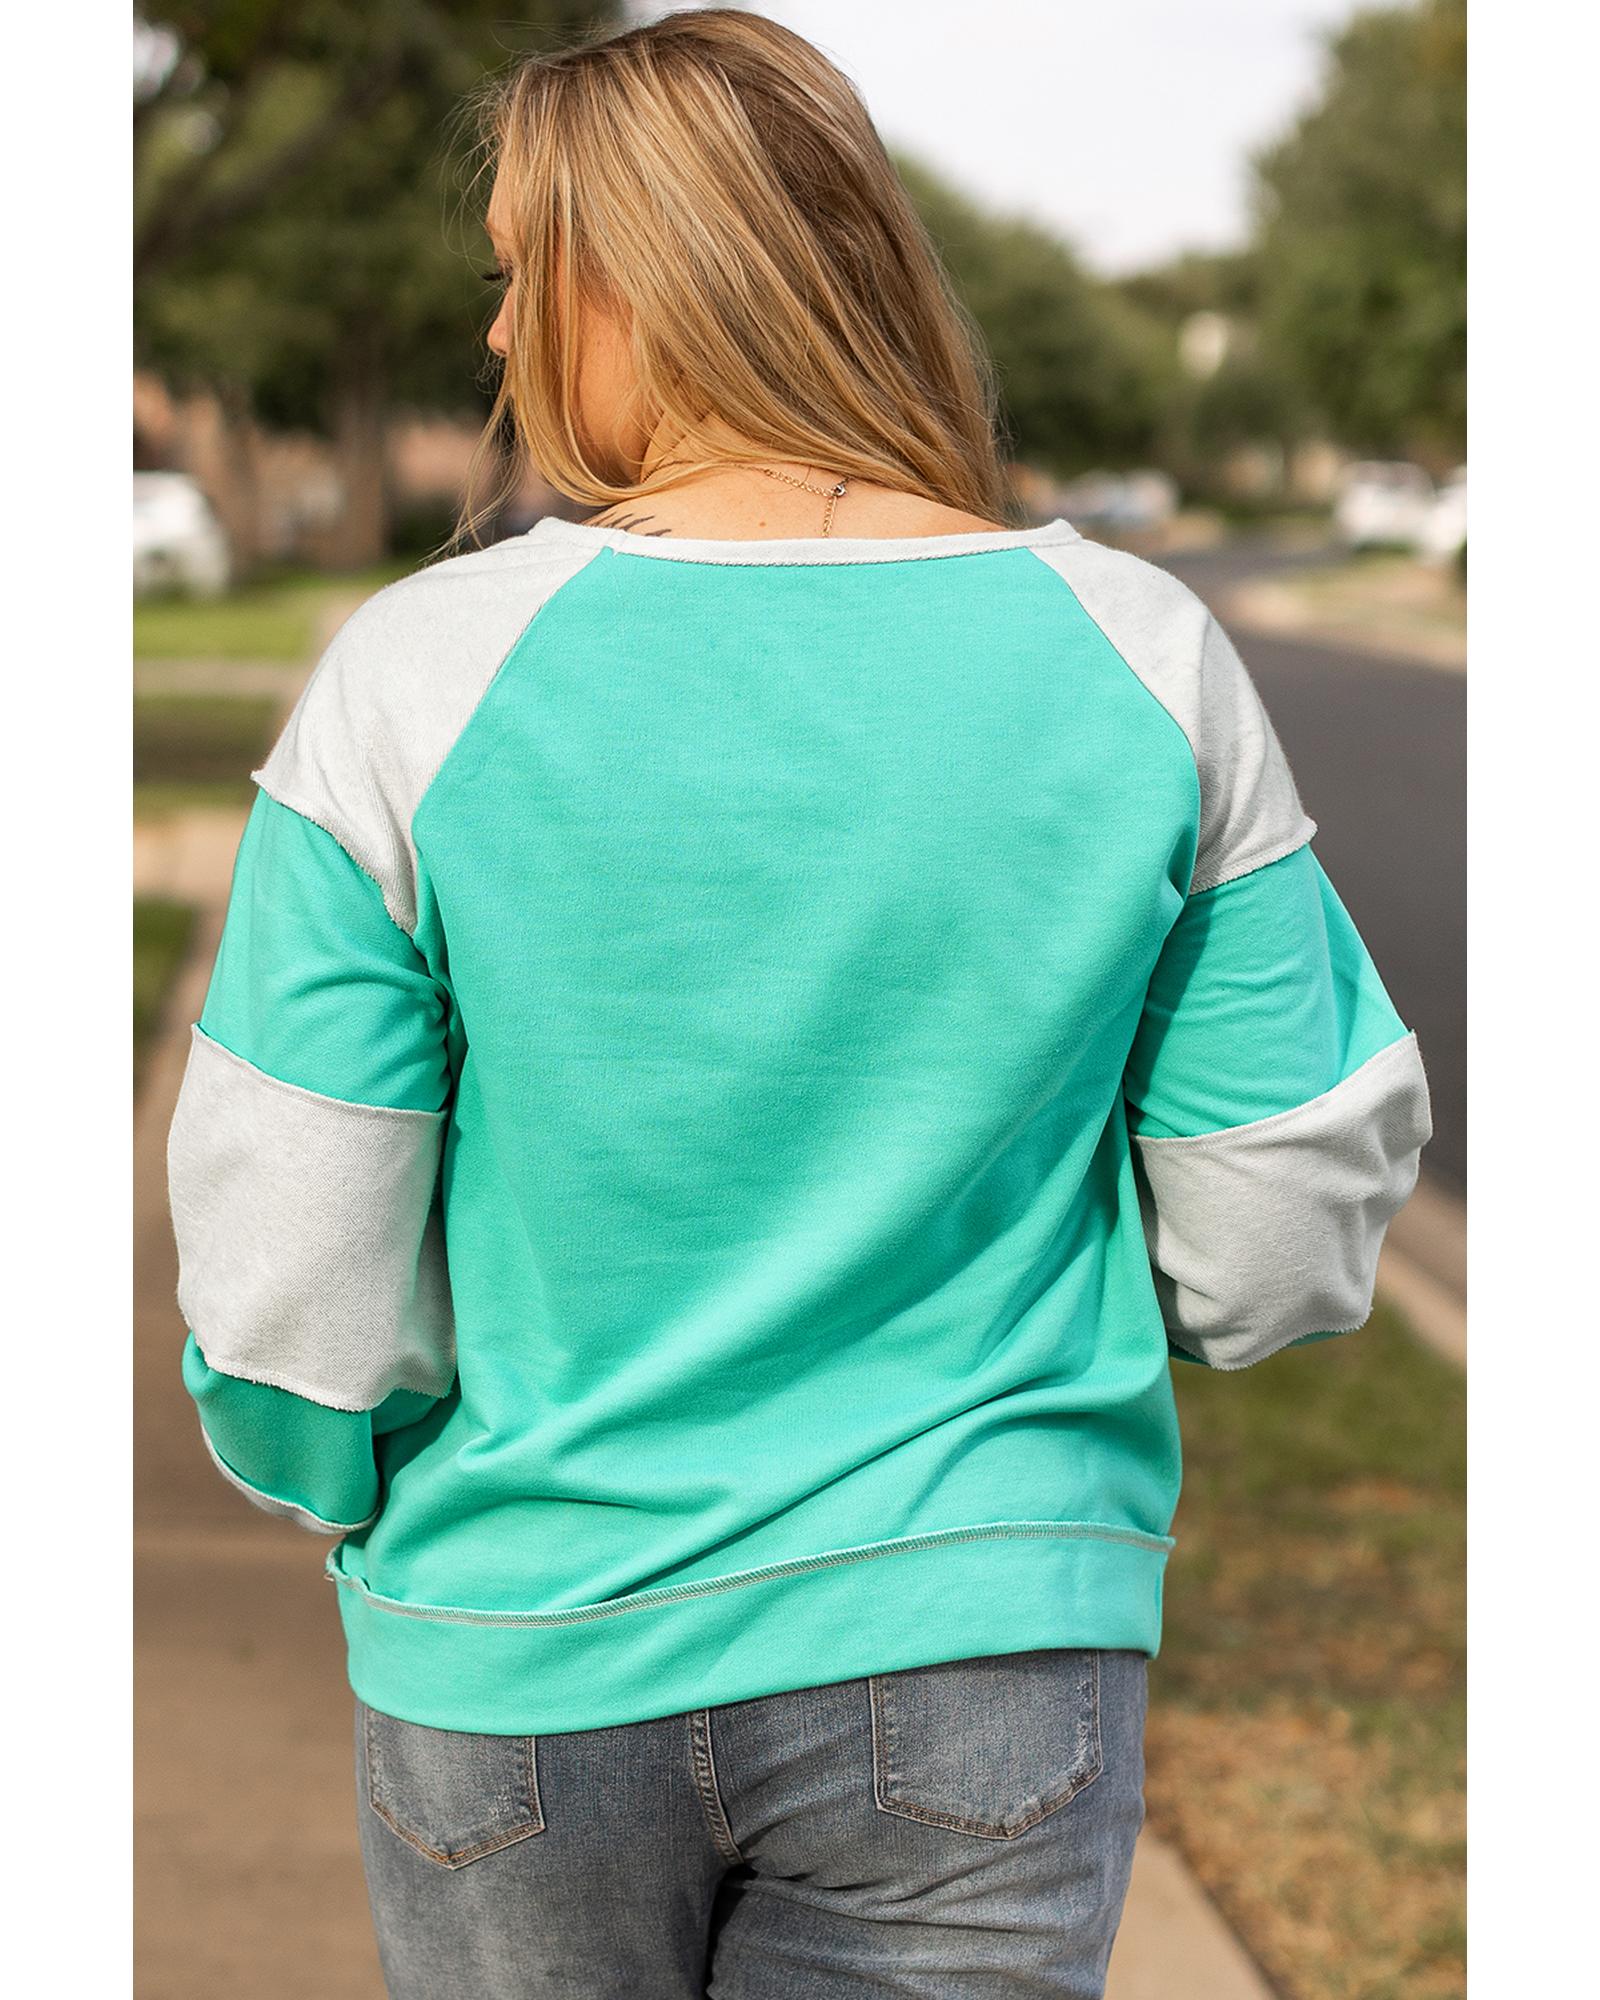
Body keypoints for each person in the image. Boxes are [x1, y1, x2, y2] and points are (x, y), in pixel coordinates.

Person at [163, 9, 1434, 1996]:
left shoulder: (413, 680)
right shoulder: (1142, 655)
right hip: (981, 1646)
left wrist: (360, 1498)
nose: (494, 335)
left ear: (646, 286)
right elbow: (1277, 1228)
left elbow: (286, 1278)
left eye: (521, 274)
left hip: (523, 1649)